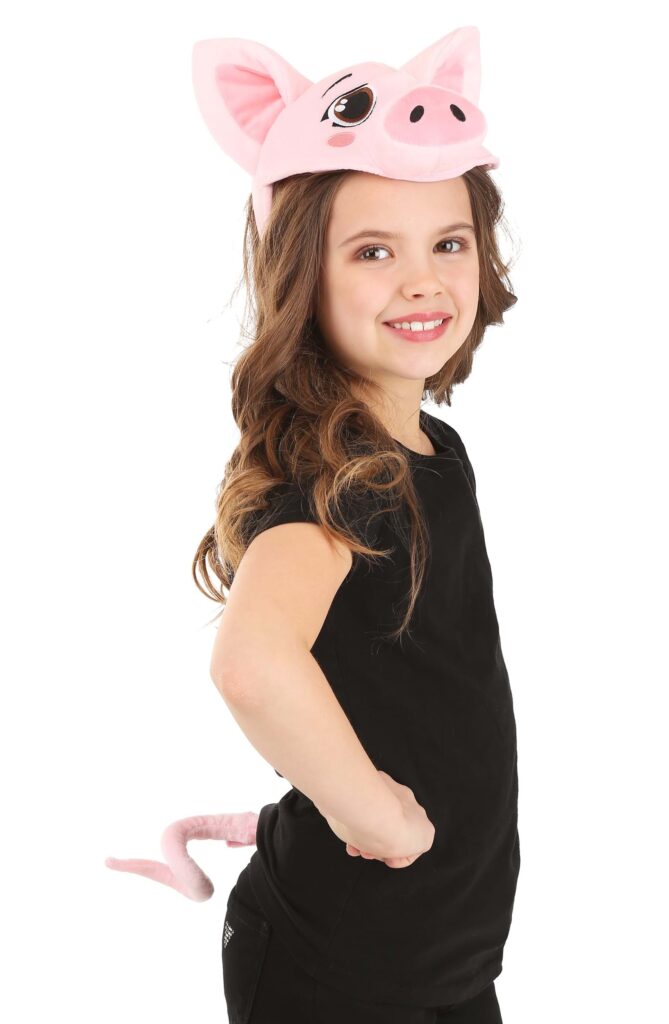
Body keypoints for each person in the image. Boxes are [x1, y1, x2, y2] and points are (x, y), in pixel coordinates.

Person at [191, 26, 520, 1024]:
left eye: (447, 243)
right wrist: (372, 811)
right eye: (373, 251)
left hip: (443, 958)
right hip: (343, 969)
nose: (422, 280)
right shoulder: (338, 485)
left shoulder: (429, 449)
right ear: (302, 276)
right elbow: (251, 663)